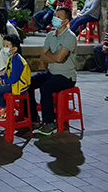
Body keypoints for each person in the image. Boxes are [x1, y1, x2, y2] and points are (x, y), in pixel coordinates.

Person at [28, 8, 78, 136]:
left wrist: (50, 55)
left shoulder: (70, 37)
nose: (54, 18)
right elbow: (43, 57)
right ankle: (32, 117)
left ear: (65, 21)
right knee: (28, 82)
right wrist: (53, 56)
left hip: (66, 76)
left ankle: (50, 123)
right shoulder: (50, 35)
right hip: (51, 73)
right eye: (55, 15)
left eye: (58, 16)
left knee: (46, 88)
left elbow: (59, 59)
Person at [0, 34, 31, 122]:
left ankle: (7, 109)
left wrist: (0, 83)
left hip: (19, 85)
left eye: (7, 46)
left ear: (14, 49)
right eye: (3, 45)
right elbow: (8, 75)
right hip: (13, 83)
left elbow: (13, 79)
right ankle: (5, 108)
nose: (4, 48)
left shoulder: (17, 60)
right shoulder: (11, 58)